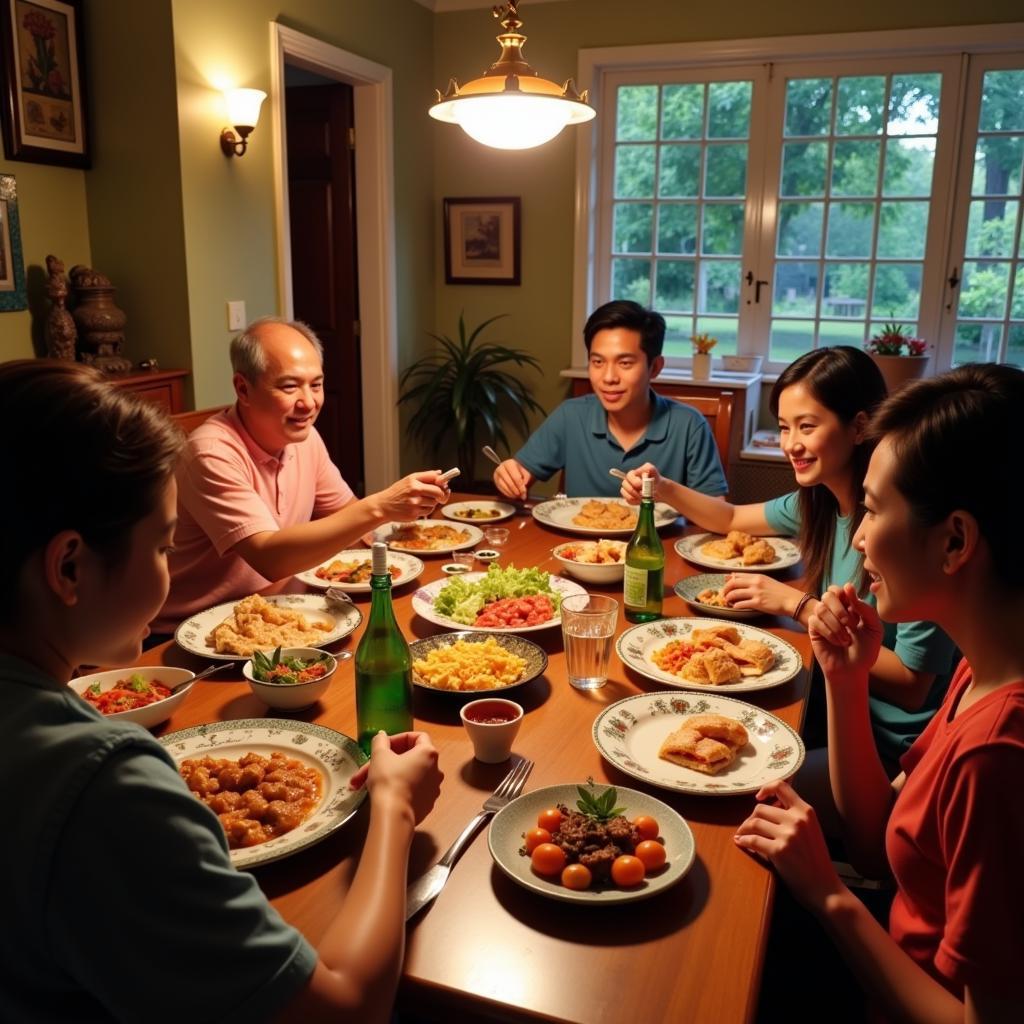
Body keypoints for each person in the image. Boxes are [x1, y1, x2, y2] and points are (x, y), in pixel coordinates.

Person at [0, 359, 444, 1021]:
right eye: (161, 547)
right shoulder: (100, 785)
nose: (168, 571)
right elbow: (345, 1010)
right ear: (69, 567)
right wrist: (395, 807)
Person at [735, 364, 1024, 1021]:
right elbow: (875, 843)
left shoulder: (998, 753)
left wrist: (829, 895)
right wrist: (842, 678)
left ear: (954, 541)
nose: (857, 536)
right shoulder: (978, 671)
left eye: (871, 509)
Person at [621, 346, 955, 784]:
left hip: (892, 750)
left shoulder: (901, 530)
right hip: (832, 709)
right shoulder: (817, 501)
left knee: (727, 780)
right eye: (783, 427)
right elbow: (731, 517)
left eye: (807, 426)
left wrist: (797, 605)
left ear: (859, 427)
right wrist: (661, 487)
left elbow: (914, 686)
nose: (790, 443)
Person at [154, 317, 450, 633]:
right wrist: (381, 506)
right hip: (197, 632)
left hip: (284, 617)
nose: (308, 402)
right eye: (290, 386)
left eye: (316, 384)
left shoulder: (304, 438)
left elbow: (351, 520)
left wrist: (419, 527)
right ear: (243, 388)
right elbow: (270, 559)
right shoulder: (211, 451)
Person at [492, 300, 727, 500]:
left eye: (625, 363)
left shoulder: (689, 425)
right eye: (598, 362)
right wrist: (507, 477)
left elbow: (718, 513)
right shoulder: (571, 416)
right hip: (578, 551)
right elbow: (518, 478)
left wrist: (666, 491)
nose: (608, 377)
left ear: (654, 367)